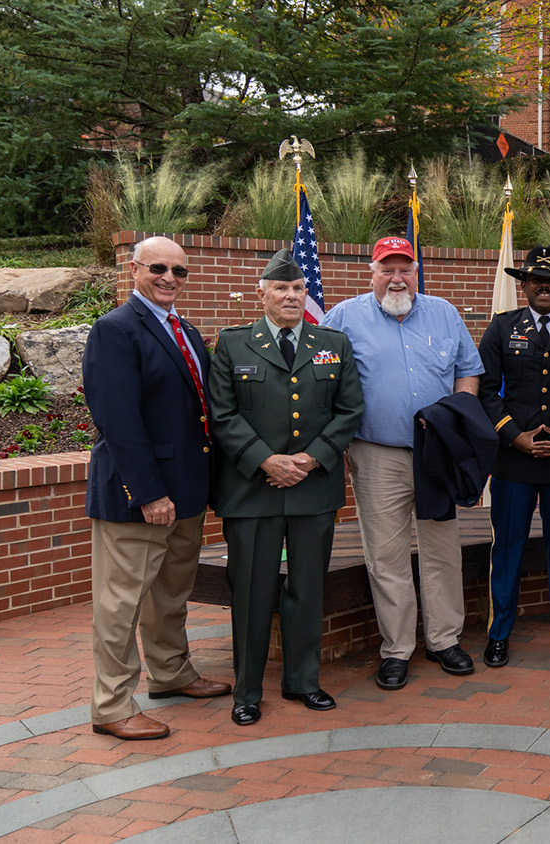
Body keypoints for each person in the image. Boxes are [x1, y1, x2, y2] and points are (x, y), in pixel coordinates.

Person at [82, 235, 231, 740]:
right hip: (140, 497)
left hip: (186, 492)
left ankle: (171, 672)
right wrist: (147, 493)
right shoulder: (116, 329)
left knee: (171, 592)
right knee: (120, 603)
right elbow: (117, 418)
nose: (170, 278)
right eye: (159, 268)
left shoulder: (184, 329)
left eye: (179, 271)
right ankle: (112, 704)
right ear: (134, 270)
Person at [321, 236, 484, 691]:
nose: (397, 278)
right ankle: (396, 649)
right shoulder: (344, 318)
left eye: (405, 269)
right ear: (371, 273)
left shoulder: (444, 313)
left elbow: (468, 370)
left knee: (441, 549)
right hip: (376, 454)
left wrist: (457, 415)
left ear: (417, 272)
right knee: (385, 555)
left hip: (436, 452)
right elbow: (323, 376)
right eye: (386, 269)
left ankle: (444, 639)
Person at [209, 249, 365, 726]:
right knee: (252, 593)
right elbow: (222, 414)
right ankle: (247, 691)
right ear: (262, 294)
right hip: (252, 491)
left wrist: (310, 459)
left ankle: (302, 681)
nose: (291, 296)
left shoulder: (332, 343)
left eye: (298, 288)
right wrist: (267, 461)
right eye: (281, 288)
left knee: (307, 588)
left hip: (312, 488)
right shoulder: (234, 345)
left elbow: (350, 409)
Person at [478, 246, 550, 669]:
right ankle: (499, 634)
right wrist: (513, 436)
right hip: (514, 462)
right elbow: (486, 391)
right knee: (506, 549)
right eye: (536, 280)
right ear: (522, 285)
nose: (545, 286)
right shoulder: (502, 328)